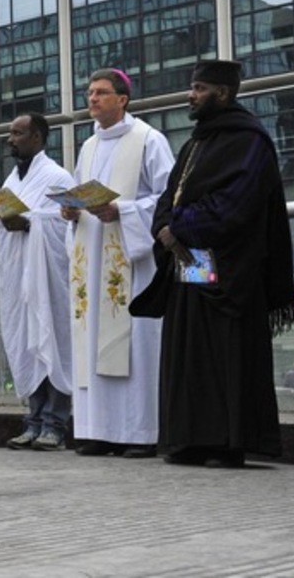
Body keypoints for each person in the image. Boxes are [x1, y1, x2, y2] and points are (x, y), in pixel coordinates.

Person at [131, 59, 294, 468]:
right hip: (191, 262)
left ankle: (227, 443)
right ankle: (191, 439)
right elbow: (170, 196)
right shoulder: (196, 142)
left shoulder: (249, 140)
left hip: (232, 268)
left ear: (222, 93)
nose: (191, 95)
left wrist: (179, 227)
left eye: (199, 88)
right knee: (190, 348)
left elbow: (235, 205)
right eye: (192, 87)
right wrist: (164, 226)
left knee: (224, 352)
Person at [63, 68, 174, 458]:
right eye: (90, 92)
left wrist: (123, 211)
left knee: (133, 348)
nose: (92, 99)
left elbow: (167, 197)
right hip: (90, 260)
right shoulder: (88, 146)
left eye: (101, 93)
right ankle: (98, 430)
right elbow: (81, 190)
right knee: (91, 341)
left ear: (122, 99)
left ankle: (138, 433)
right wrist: (71, 211)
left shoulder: (149, 140)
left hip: (129, 261)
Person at [0, 113, 75, 452]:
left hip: (49, 277)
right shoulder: (12, 179)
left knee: (51, 343)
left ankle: (55, 423)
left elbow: (65, 222)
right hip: (19, 275)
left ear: (38, 137)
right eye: (10, 132)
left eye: (18, 133)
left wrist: (28, 224)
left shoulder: (58, 176)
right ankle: (33, 420)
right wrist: (4, 218)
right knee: (28, 345)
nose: (11, 139)